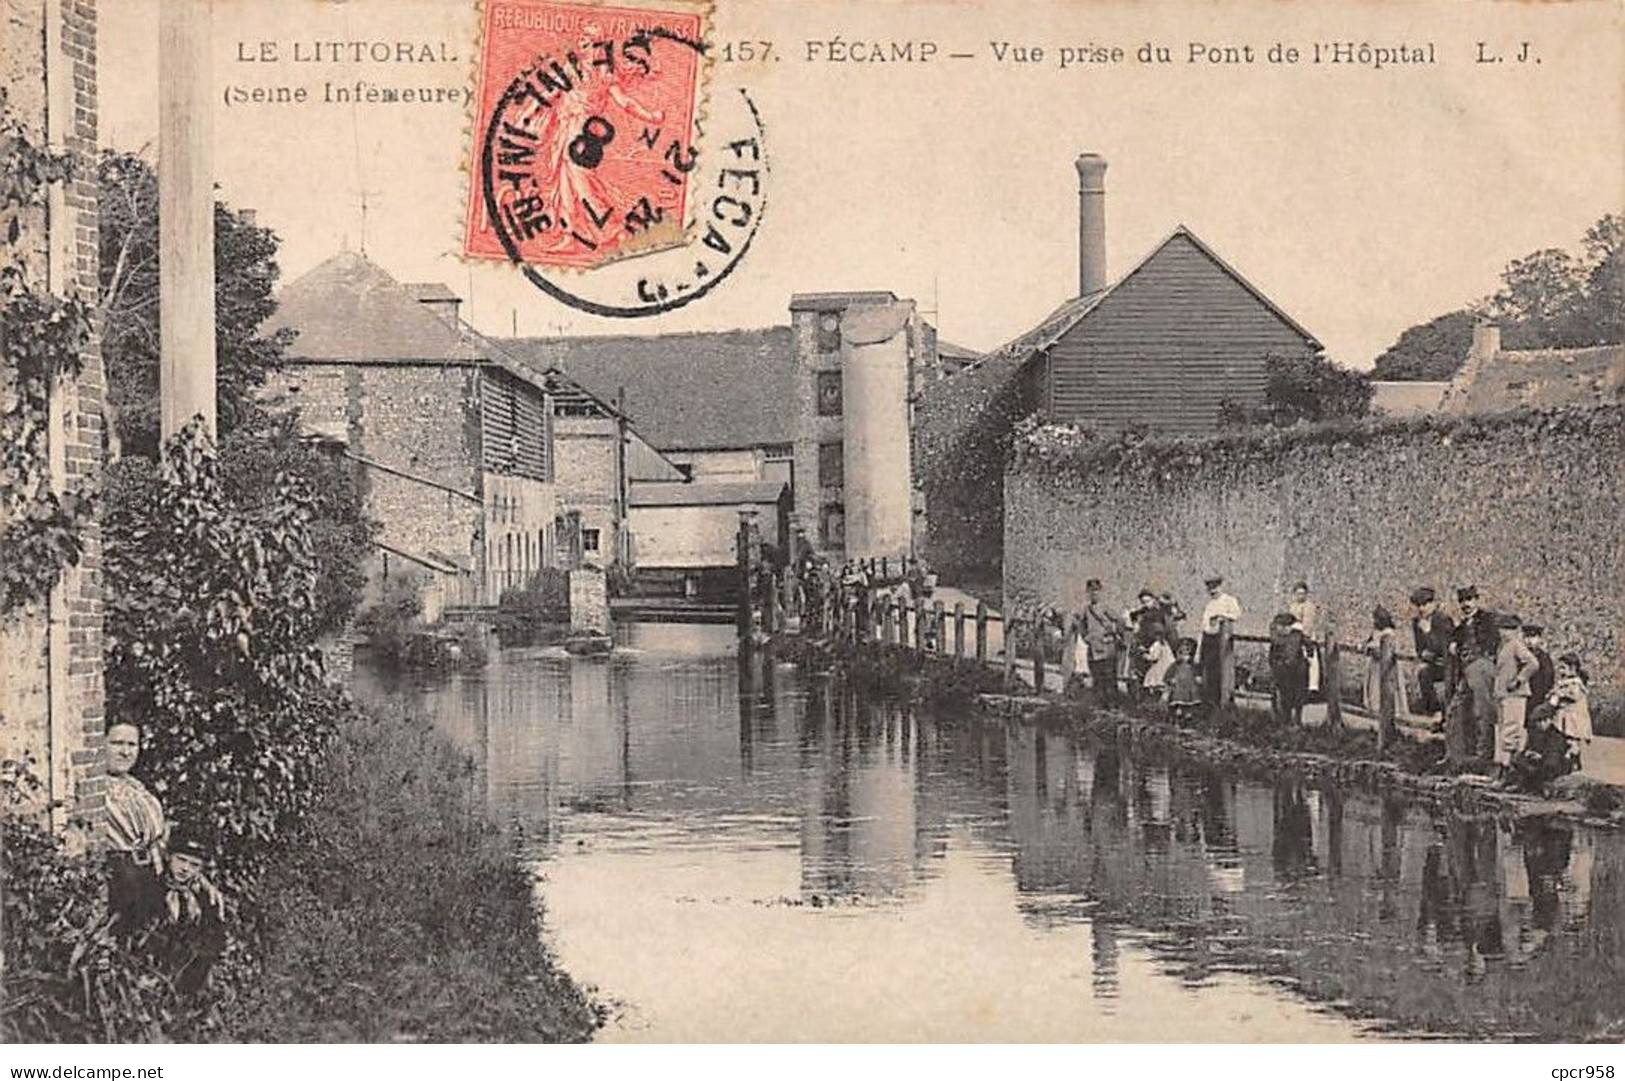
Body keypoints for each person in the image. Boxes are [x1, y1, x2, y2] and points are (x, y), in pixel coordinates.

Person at [103, 722, 168, 935]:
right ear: (101, 744)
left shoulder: (136, 786)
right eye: (117, 743)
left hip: (149, 875)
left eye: (132, 744)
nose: (125, 752)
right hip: (121, 878)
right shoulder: (96, 789)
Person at [1449, 586, 1501, 764]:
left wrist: (1482, 659)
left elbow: (1493, 643)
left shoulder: (1487, 620)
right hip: (1467, 672)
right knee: (1456, 709)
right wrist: (1455, 643)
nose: (1466, 604)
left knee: (1483, 711)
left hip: (1482, 670)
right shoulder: (1462, 625)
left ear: (1476, 600)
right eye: (1463, 601)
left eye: (1470, 600)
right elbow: (1455, 638)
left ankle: (1484, 754)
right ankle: (1457, 755)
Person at [1492, 613, 1539, 775]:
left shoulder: (1516, 645)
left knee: (1511, 731)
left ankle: (1508, 770)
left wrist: (1519, 680)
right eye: (1502, 628)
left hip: (1515, 694)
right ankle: (1504, 769)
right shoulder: (1503, 646)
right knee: (1504, 730)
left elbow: (1533, 663)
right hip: (1503, 694)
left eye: (1508, 629)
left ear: (1515, 630)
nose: (1503, 632)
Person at [1507, 706, 1579, 796]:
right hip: (1538, 761)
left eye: (1543, 721)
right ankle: (1524, 784)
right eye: (1538, 721)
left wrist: (1541, 756)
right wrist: (1528, 753)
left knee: (1549, 765)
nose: (1540, 724)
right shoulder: (1535, 733)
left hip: (1553, 763)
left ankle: (1541, 786)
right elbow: (1529, 747)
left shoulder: (1556, 736)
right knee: (1518, 759)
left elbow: (1554, 755)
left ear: (1549, 720)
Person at [1080, 578, 1127, 707]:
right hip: (1094, 648)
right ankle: (1101, 705)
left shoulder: (1106, 607)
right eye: (1090, 591)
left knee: (1109, 677)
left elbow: (1120, 621)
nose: (1093, 594)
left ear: (1101, 591)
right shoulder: (1086, 609)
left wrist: (1112, 632)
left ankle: (1113, 705)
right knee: (1097, 677)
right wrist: (1086, 638)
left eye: (1096, 591)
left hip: (1107, 647)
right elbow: (1081, 625)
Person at [1410, 587, 1454, 719]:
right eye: (1418, 605)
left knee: (1449, 686)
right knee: (1423, 674)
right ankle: (1435, 713)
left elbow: (1443, 647)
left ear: (1433, 604)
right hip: (1433, 663)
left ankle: (1448, 717)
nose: (1421, 609)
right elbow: (1420, 648)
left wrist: (1428, 632)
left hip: (1449, 663)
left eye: (1425, 604)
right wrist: (1423, 654)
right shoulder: (1417, 622)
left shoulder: (1443, 620)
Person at [1198, 575, 1242, 710]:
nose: (1213, 591)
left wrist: (1222, 617)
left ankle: (1223, 702)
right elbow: (1204, 625)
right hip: (1209, 639)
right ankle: (1210, 702)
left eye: (1215, 588)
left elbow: (1236, 614)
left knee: (1222, 670)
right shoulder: (1209, 604)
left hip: (1222, 639)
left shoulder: (1229, 600)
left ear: (1220, 587)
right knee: (1209, 671)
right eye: (1210, 589)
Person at [1364, 605, 1410, 721]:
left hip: (1388, 664)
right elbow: (1368, 642)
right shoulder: (1375, 632)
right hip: (1376, 665)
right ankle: (1375, 708)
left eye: (1377, 619)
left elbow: (1383, 648)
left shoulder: (1389, 633)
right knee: (1374, 685)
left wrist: (1372, 648)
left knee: (1389, 685)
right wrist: (1367, 645)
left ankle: (1393, 710)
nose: (1375, 622)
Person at [1268, 612, 1310, 726]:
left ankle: (1297, 720)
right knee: (1284, 695)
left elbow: (1309, 648)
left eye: (1286, 626)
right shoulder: (1276, 637)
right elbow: (1272, 655)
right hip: (1282, 670)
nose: (1283, 629)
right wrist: (1276, 666)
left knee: (1297, 695)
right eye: (1281, 626)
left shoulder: (1297, 636)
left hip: (1297, 670)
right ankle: (1285, 720)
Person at [1546, 652, 1594, 746]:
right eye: (1560, 668)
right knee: (1562, 739)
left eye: (1563, 668)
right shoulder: (1564, 682)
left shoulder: (1575, 683)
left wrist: (1562, 694)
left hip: (1573, 717)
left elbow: (1575, 695)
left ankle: (1573, 755)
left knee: (1572, 740)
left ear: (1573, 669)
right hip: (1564, 715)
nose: (1560, 671)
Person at [1287, 581, 1323, 698]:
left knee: (1312, 660)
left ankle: (1313, 686)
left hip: (1306, 636)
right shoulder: (1292, 606)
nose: (1300, 596)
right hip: (1293, 635)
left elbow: (1308, 624)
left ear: (1306, 594)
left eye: (1302, 594)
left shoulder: (1309, 607)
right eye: (1298, 594)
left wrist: (1303, 633)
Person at [1165, 638, 1202, 725]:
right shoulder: (1177, 664)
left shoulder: (1191, 664)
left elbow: (1196, 669)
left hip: (1189, 681)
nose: (1185, 653)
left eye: (1187, 650)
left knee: (1190, 695)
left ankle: (1188, 713)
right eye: (1183, 650)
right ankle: (1179, 711)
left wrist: (1197, 676)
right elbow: (1171, 670)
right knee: (1178, 695)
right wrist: (1171, 678)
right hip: (1179, 681)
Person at [1523, 625, 1555, 706]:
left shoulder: (1543, 657)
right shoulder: (1520, 656)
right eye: (1526, 637)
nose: (1529, 641)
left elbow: (1548, 678)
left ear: (1539, 639)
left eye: (1533, 637)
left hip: (1538, 697)